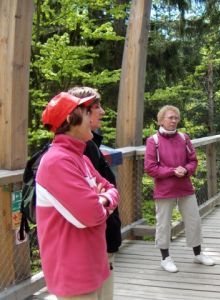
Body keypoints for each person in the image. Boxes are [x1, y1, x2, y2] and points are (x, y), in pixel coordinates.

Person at [36, 92, 120, 299]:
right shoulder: (57, 162)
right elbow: (93, 215)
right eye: (85, 112)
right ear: (70, 120)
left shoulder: (81, 158)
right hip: (74, 275)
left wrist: (102, 199)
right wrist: (101, 200)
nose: (93, 117)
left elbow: (112, 188)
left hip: (96, 264)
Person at [144, 105, 215, 273]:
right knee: (163, 224)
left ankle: (198, 254)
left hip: (185, 187)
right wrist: (172, 171)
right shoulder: (152, 141)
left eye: (176, 118)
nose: (174, 120)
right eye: (170, 117)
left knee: (194, 220)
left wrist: (187, 169)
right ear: (161, 120)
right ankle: (165, 258)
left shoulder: (184, 138)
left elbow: (193, 161)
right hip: (164, 189)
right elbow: (150, 168)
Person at [67, 86, 122, 300]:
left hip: (103, 240)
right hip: (93, 247)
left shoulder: (89, 146)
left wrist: (105, 196)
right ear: (81, 112)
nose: (103, 112)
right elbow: (91, 205)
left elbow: (107, 190)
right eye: (97, 107)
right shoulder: (76, 152)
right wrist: (104, 198)